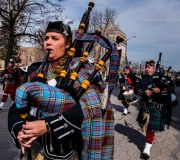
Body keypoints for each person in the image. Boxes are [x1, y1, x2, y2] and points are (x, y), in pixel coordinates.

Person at [8, 21, 115, 160]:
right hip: (32, 150)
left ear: (68, 44)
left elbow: (91, 110)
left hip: (64, 152)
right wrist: (18, 131)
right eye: (46, 38)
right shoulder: (34, 71)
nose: (48, 42)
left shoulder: (82, 72)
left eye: (55, 38)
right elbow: (16, 107)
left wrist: (48, 125)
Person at [136, 60, 169, 159]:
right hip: (146, 105)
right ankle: (148, 142)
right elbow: (137, 89)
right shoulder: (143, 79)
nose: (146, 69)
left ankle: (147, 148)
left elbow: (169, 88)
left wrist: (159, 90)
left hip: (156, 105)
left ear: (154, 68)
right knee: (144, 125)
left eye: (149, 68)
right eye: (146, 67)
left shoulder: (161, 77)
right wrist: (144, 92)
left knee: (151, 127)